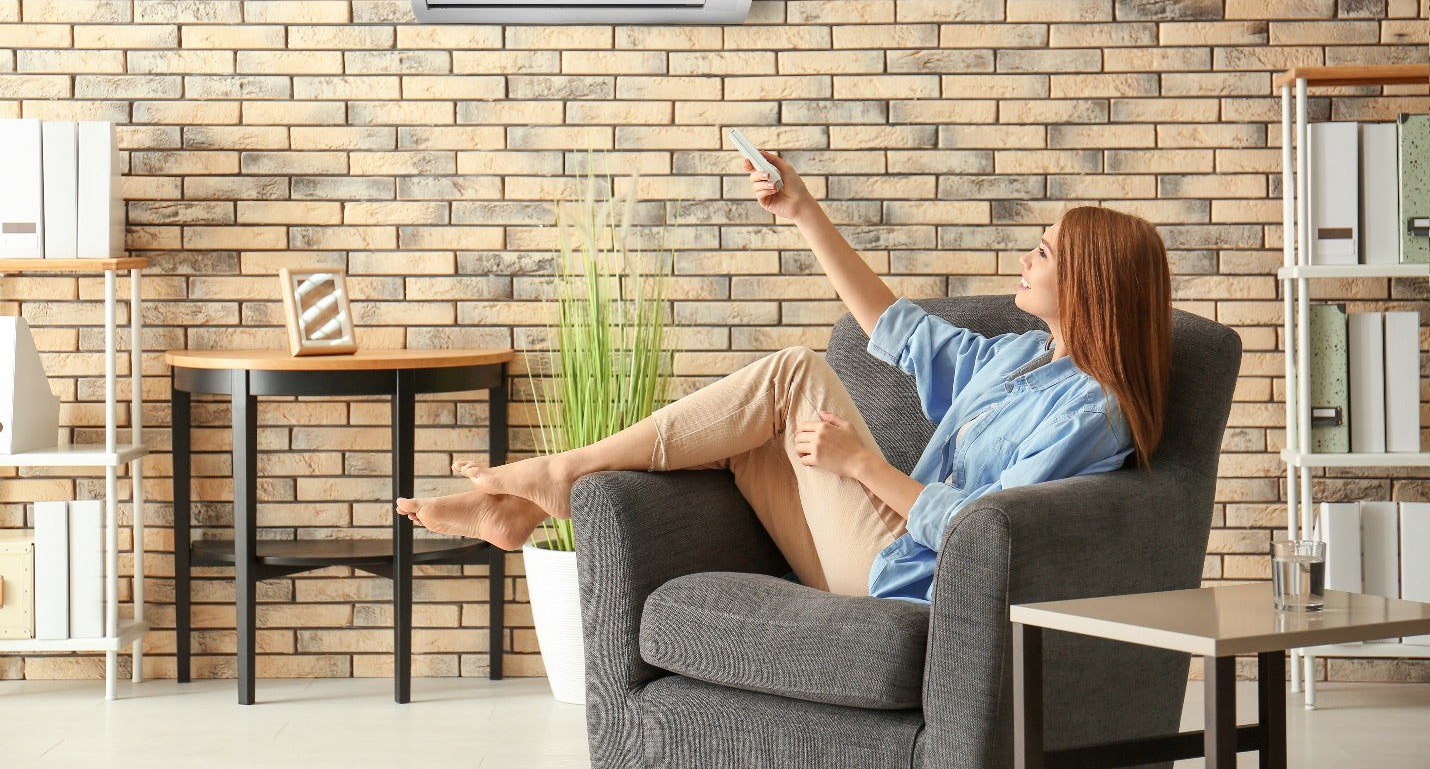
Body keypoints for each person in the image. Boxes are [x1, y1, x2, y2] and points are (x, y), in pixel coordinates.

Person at [396, 151, 1173, 603]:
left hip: (913, 575)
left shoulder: (1092, 412)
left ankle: (559, 476)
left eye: (1045, 251)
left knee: (795, 371)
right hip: (888, 543)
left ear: (1090, 283)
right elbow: (894, 326)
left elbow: (987, 532)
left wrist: (859, 464)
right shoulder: (1019, 356)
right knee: (743, 429)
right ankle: (525, 508)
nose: (1027, 257)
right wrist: (802, 211)